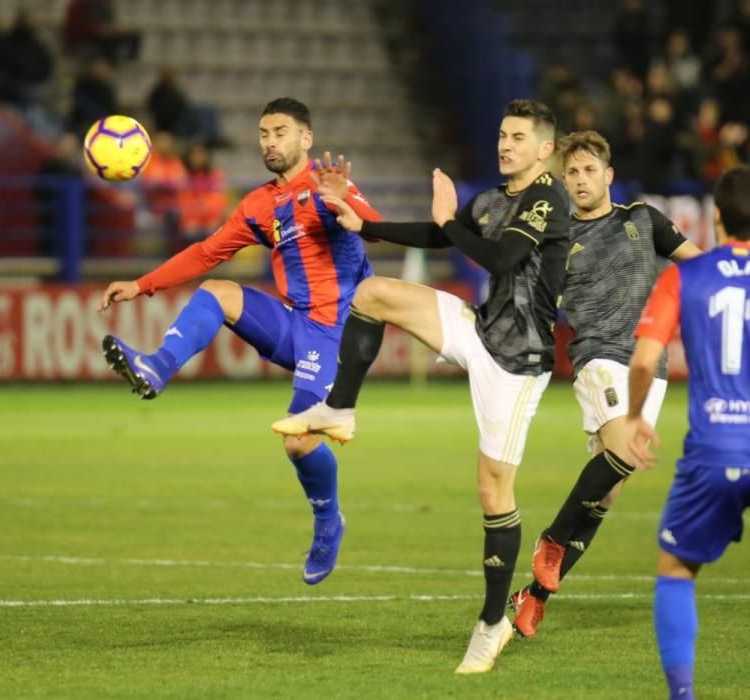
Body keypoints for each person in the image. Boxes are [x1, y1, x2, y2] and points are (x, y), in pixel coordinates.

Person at [272, 99, 570, 673]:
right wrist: (365, 225)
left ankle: (491, 625)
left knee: (493, 495)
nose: (504, 144)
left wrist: (451, 220)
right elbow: (441, 237)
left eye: (517, 137)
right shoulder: (497, 197)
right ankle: (339, 409)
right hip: (481, 331)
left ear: (543, 149)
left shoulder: (546, 200)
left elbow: (503, 258)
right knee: (373, 294)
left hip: (518, 364)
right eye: (501, 134)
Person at [97, 97, 381, 586]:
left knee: (297, 443)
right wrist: (143, 284)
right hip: (294, 322)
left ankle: (328, 520)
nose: (270, 142)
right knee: (218, 291)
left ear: (305, 139)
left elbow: (373, 227)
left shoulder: (328, 185)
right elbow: (206, 252)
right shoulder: (258, 204)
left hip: (337, 332)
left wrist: (345, 203)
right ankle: (157, 368)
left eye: (280, 132)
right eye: (264, 133)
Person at [509, 130, 701, 638]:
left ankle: (535, 595)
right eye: (571, 172)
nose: (579, 179)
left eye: (588, 170)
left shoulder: (643, 219)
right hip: (597, 357)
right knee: (624, 451)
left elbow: (698, 265)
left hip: (647, 366)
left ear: (608, 175)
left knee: (608, 489)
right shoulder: (557, 238)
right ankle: (550, 540)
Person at [626, 165, 750, 700]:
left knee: (676, 568)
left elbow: (644, 359)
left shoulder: (685, 276)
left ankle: (682, 695)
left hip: (713, 449)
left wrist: (634, 417)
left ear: (716, 215)